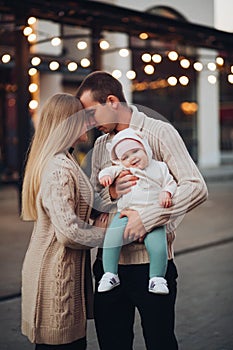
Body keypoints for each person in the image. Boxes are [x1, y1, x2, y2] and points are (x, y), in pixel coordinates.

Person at [76, 71, 208, 350]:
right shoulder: (100, 146)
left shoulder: (159, 132)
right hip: (107, 266)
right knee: (112, 344)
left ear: (111, 101)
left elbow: (195, 186)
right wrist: (111, 193)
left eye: (91, 113)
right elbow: (91, 202)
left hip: (152, 266)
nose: (89, 123)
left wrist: (147, 219)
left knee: (160, 343)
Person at [20, 93, 108, 350]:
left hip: (61, 272)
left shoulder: (65, 159)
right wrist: (104, 233)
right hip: (57, 279)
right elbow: (68, 232)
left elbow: (76, 206)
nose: (89, 123)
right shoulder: (58, 167)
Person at [98, 127, 177, 295]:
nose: (131, 158)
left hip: (152, 215)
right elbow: (107, 171)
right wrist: (106, 177)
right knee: (111, 239)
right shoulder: (122, 169)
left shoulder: (159, 167)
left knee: (158, 246)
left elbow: (170, 182)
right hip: (125, 213)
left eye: (135, 151)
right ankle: (110, 273)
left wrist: (166, 192)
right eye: (125, 157)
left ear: (145, 148)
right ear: (120, 161)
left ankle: (157, 278)